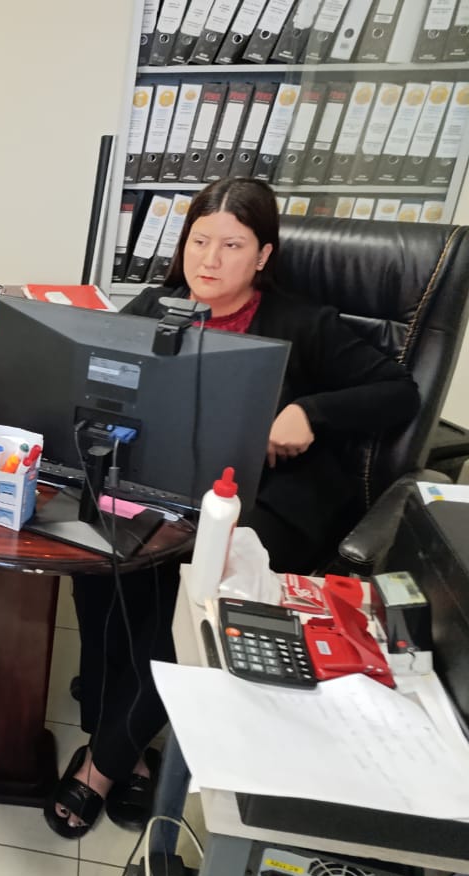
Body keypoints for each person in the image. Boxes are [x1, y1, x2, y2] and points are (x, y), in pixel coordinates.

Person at [44, 177, 420, 839]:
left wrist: (311, 411)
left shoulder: (305, 323)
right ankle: (119, 733)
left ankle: (104, 763)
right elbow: (97, 372)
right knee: (98, 564)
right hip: (166, 482)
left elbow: (399, 391)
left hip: (266, 500)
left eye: (232, 245)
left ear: (263, 255)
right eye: (198, 241)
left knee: (182, 595)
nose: (209, 260)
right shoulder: (157, 305)